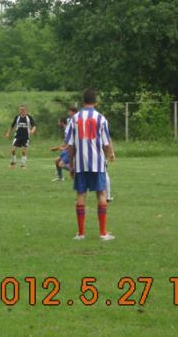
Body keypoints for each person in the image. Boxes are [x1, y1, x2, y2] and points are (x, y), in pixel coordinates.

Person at [66, 89, 115, 241]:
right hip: (97, 162)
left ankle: (81, 234)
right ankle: (103, 233)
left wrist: (71, 164)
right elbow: (106, 144)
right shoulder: (101, 118)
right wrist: (106, 158)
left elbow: (70, 145)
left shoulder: (75, 119)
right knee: (101, 194)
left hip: (80, 163)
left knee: (81, 194)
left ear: (83, 101)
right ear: (96, 101)